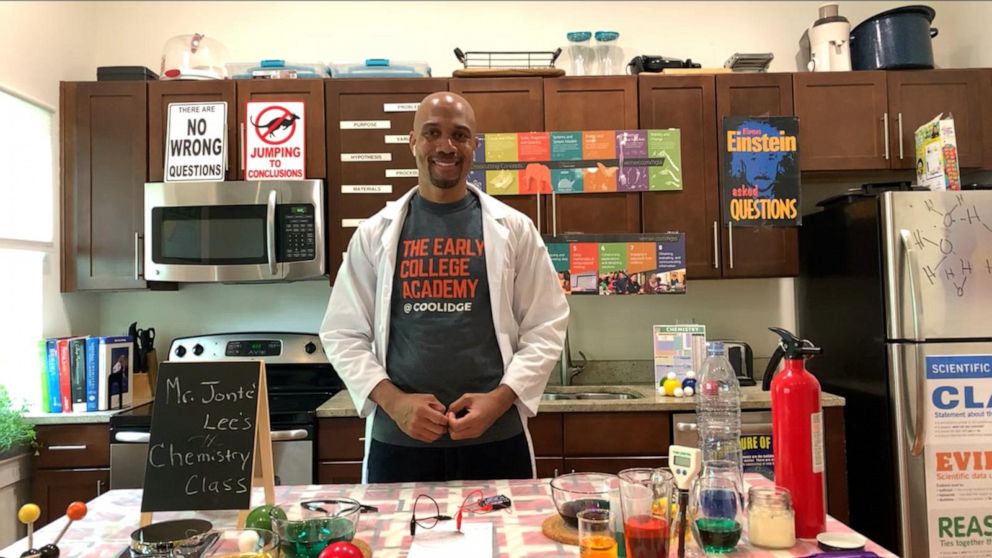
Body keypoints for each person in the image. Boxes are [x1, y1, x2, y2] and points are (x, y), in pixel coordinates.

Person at [320, 92, 569, 483]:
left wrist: (499, 401)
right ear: (413, 142)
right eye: (432, 133)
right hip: (398, 442)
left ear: (474, 144)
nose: (446, 146)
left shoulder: (515, 229)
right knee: (398, 545)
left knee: (503, 545)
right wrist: (395, 402)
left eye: (460, 135)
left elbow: (547, 324)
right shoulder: (374, 233)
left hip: (496, 437)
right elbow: (342, 333)